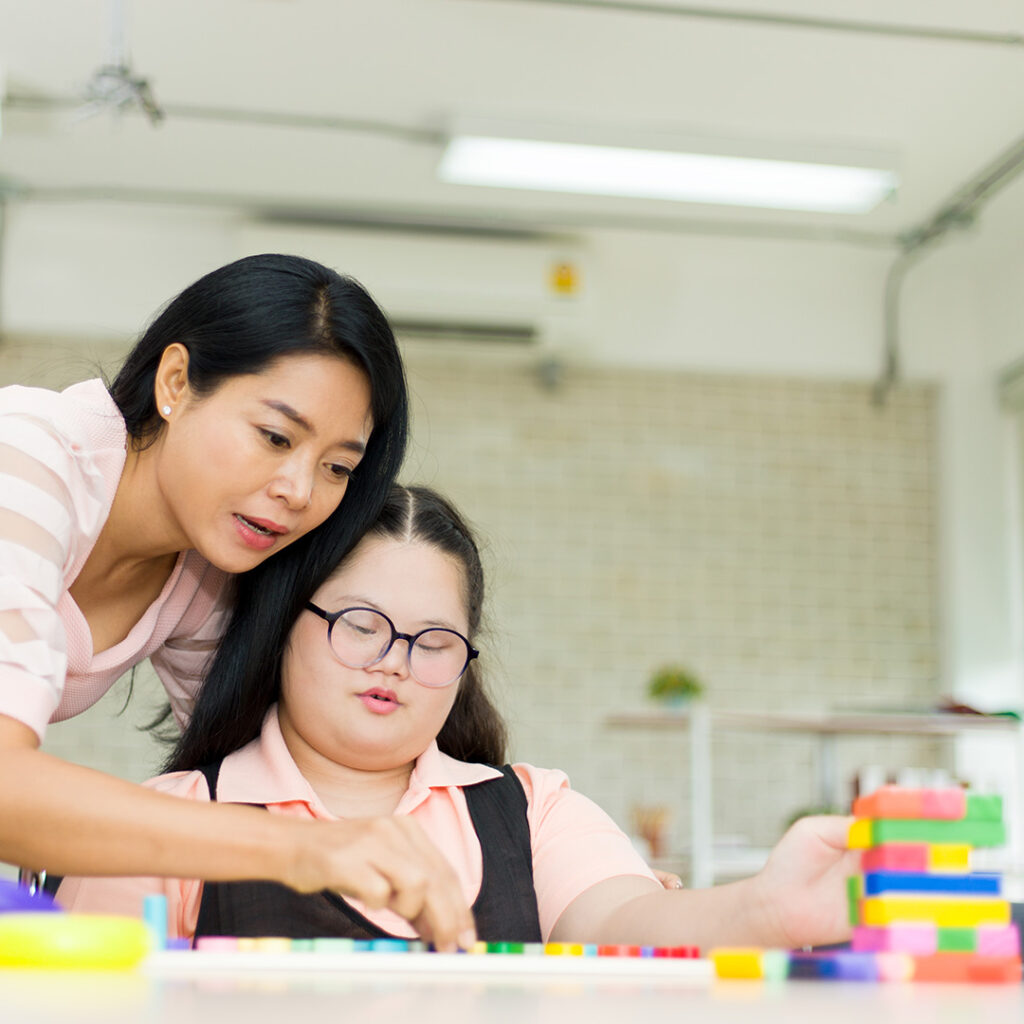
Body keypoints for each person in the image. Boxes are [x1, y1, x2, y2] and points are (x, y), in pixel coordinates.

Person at [58, 485, 858, 948]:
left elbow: (620, 923)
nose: (394, 660)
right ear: (281, 626)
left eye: (433, 641)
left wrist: (763, 907)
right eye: (360, 626)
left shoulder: (529, 810)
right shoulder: (172, 822)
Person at [0, 255, 478, 951]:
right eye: (275, 437)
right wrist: (301, 849)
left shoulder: (201, 576)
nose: (298, 490)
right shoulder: (29, 460)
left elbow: (260, 773)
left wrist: (555, 867)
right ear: (175, 384)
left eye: (337, 467)